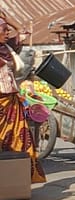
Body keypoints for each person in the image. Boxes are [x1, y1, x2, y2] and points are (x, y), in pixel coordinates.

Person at [0, 15, 46, 184]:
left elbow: (24, 32)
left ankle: (15, 184)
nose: (7, 32)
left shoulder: (7, 48)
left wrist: (7, 18)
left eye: (7, 30)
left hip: (11, 103)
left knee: (17, 144)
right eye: (4, 30)